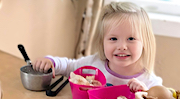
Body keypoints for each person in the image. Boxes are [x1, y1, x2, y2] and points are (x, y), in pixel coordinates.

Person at [33, 1, 162, 92]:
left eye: (131, 39)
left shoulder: (149, 82)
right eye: (113, 39)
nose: (122, 46)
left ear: (145, 42)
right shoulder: (94, 64)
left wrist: (146, 95)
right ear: (102, 42)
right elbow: (68, 67)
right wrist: (51, 62)